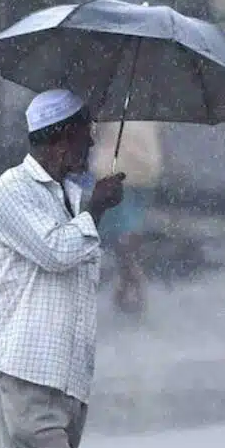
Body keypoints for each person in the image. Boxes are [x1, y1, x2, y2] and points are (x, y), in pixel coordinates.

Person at [0, 88, 125, 448]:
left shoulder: (68, 196)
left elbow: (47, 275)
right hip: (31, 381)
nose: (93, 144)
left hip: (69, 382)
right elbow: (56, 251)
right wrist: (96, 211)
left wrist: (0, 300)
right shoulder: (13, 189)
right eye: (85, 135)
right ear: (61, 140)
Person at [90, 120, 162, 316]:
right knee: (131, 226)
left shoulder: (108, 103)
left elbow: (92, 134)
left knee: (120, 230)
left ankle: (133, 279)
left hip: (116, 169)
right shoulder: (149, 103)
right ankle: (127, 281)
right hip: (147, 169)